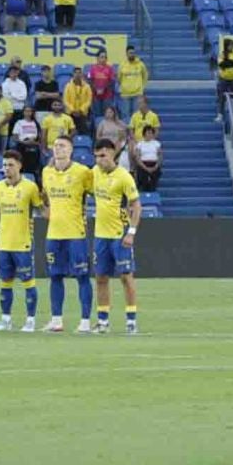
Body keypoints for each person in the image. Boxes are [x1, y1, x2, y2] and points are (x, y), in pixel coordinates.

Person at [39, 134, 95, 332]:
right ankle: (56, 320)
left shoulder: (83, 172)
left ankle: (86, 321)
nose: (58, 149)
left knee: (82, 276)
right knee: (55, 276)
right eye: (55, 146)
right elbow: (45, 197)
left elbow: (96, 192)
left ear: (71, 150)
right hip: (53, 233)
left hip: (75, 233)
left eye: (62, 146)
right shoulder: (46, 172)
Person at [89, 137, 142, 335]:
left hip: (120, 236)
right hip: (100, 236)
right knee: (101, 278)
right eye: (96, 156)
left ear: (112, 154)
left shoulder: (124, 177)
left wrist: (131, 232)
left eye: (102, 156)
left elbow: (136, 205)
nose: (99, 160)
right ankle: (103, 322)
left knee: (126, 277)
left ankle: (131, 321)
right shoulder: (94, 173)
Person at [0, 150, 42, 332]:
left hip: (23, 243)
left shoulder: (30, 187)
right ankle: (6, 319)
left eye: (10, 165)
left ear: (20, 166)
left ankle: (30, 320)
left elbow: (40, 208)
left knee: (28, 281)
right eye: (4, 165)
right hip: (3, 242)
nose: (6, 168)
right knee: (5, 282)